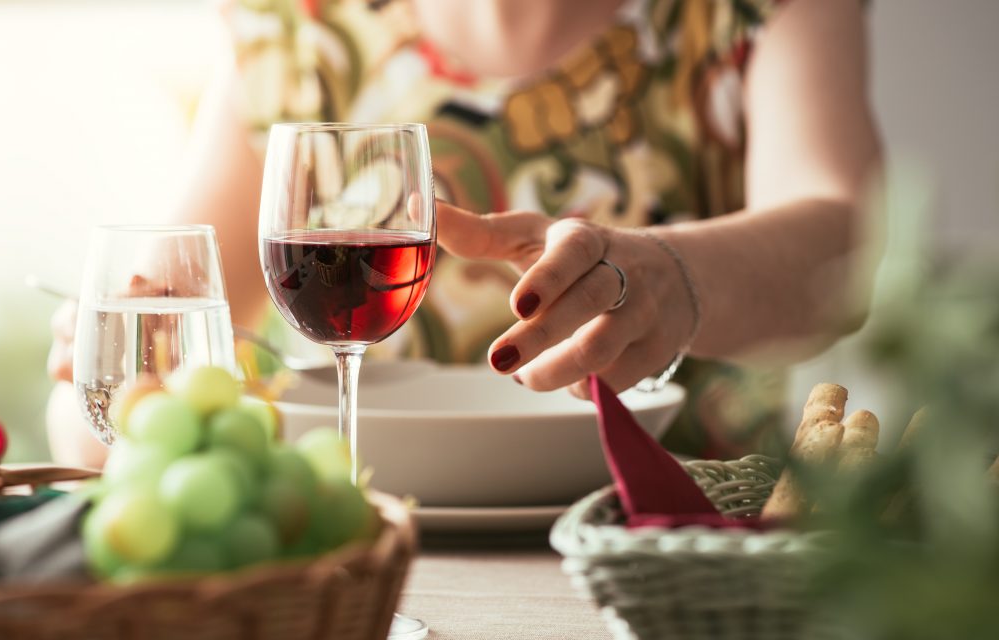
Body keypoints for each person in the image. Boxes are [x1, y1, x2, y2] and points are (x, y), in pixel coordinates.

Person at [47, 0, 880, 467]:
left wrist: (675, 276)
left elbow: (848, 245)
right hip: (389, 573)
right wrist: (114, 370)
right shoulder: (298, 29)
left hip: (676, 562)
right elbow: (112, 411)